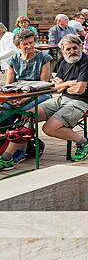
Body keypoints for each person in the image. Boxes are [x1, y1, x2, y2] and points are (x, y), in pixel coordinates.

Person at [35, 34, 88, 161]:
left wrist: (63, 86)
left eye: (75, 48)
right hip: (62, 99)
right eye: (68, 49)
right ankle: (27, 146)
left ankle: (84, 142)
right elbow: (55, 88)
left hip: (82, 102)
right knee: (29, 115)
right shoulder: (64, 62)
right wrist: (69, 83)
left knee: (49, 128)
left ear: (81, 47)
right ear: (62, 50)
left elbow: (80, 90)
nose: (72, 52)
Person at [0, 29, 53, 170]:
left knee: (25, 113)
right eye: (25, 44)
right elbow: (9, 85)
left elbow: (44, 84)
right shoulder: (14, 59)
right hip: (18, 94)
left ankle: (20, 150)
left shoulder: (44, 58)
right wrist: (13, 98)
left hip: (40, 93)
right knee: (4, 114)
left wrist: (25, 98)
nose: (29, 46)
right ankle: (15, 143)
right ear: (18, 46)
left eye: (31, 42)